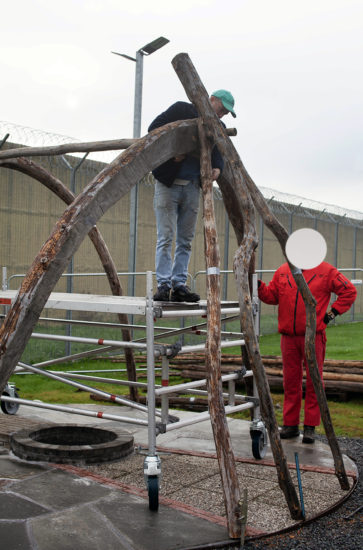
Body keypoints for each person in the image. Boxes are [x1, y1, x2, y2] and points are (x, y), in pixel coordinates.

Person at [148, 90, 236, 302]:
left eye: (226, 112)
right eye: (221, 108)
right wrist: (173, 153)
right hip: (168, 184)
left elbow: (218, 152)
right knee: (166, 236)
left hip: (191, 186)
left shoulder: (218, 127)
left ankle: (179, 283)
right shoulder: (182, 109)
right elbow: (154, 130)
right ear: (211, 100)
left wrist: (217, 167)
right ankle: (163, 284)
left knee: (185, 239)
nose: (222, 114)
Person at [258, 261, 357, 443]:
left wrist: (331, 315)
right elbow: (272, 296)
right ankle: (290, 425)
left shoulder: (326, 271)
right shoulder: (282, 270)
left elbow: (349, 291)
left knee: (314, 380)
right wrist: (258, 286)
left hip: (313, 336)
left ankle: (310, 426)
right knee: (290, 381)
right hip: (288, 337)